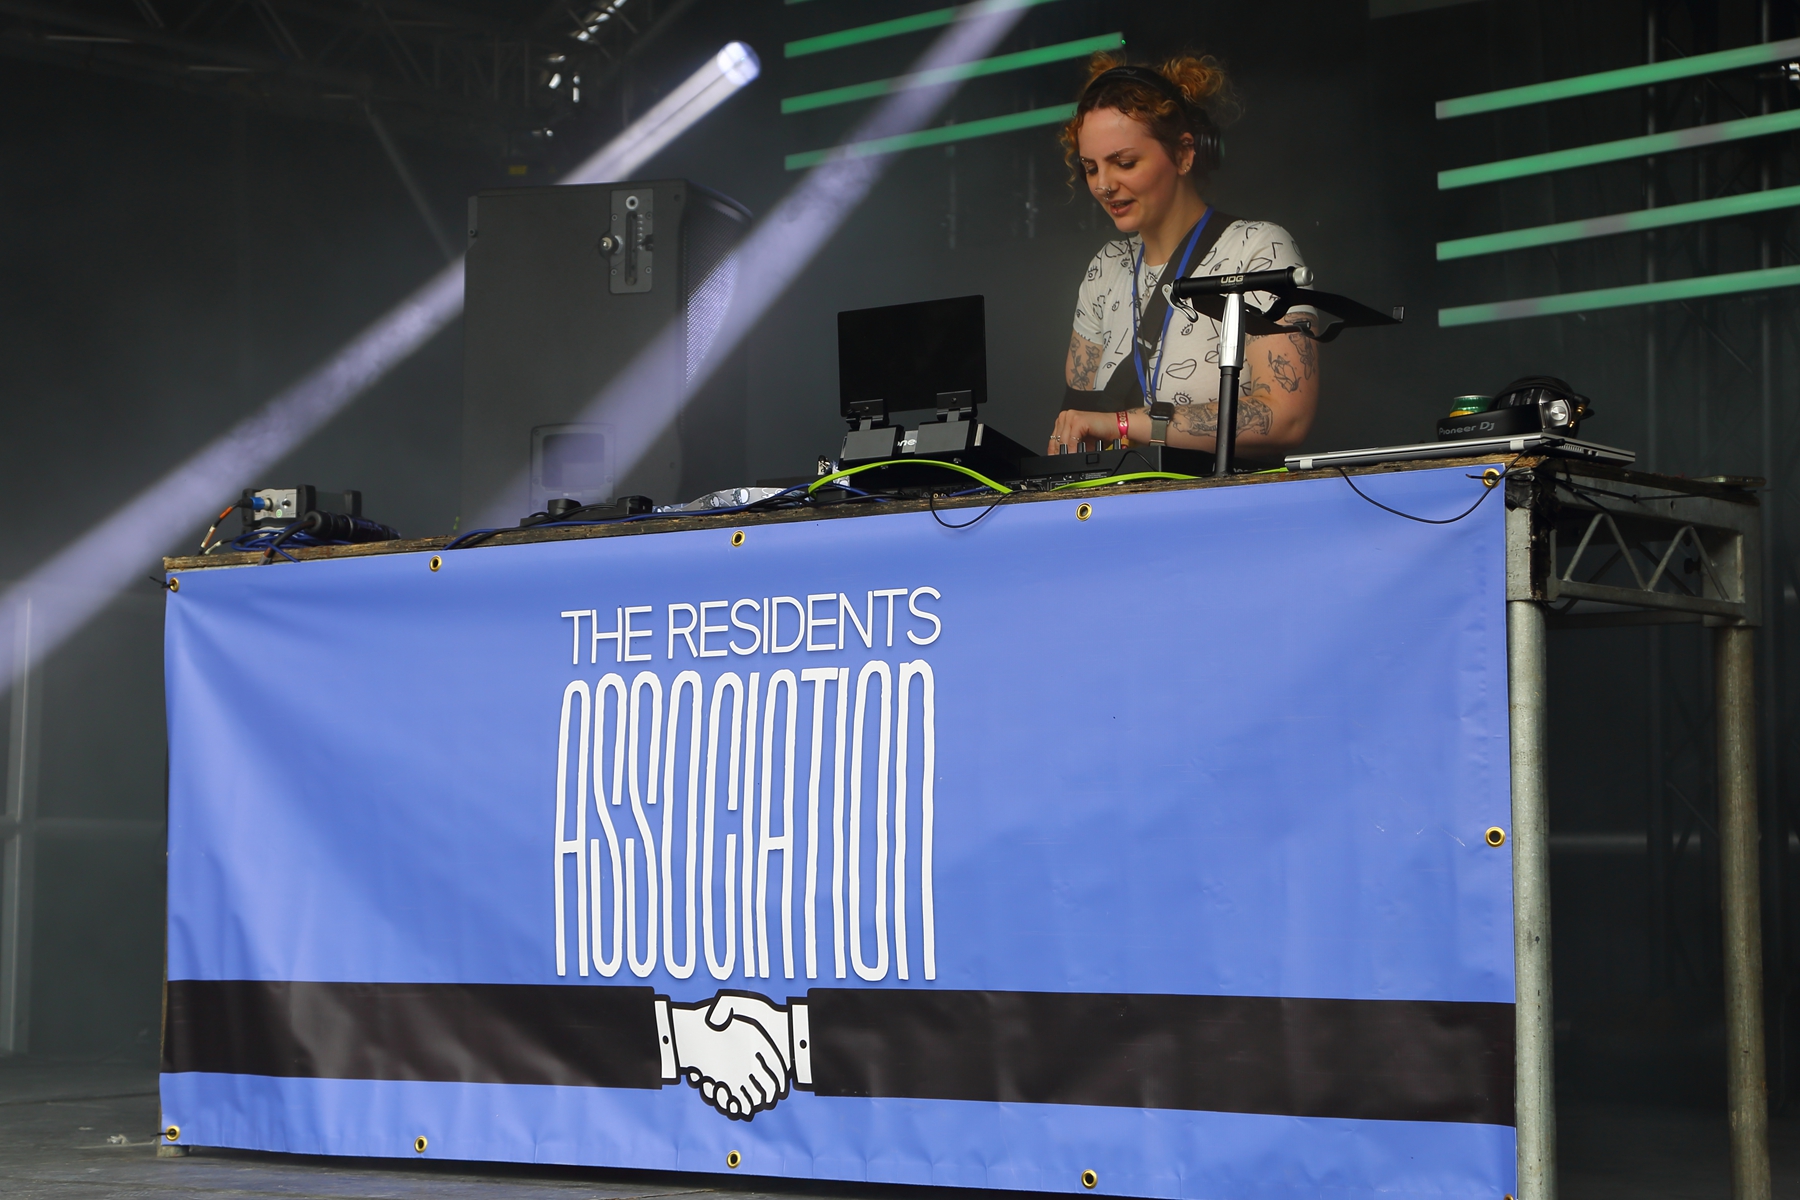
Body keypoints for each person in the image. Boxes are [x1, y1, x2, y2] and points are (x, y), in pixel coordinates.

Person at [1048, 54, 1319, 459]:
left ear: (1184, 154)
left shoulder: (1257, 248)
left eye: (1124, 163)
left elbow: (1287, 417)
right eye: (1090, 168)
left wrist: (1125, 424)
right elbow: (1076, 422)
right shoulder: (1105, 267)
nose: (1104, 185)